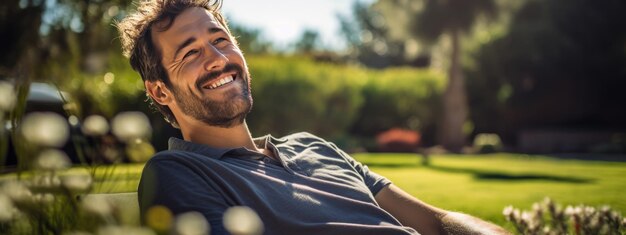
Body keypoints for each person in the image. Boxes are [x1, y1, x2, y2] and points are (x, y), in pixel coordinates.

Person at [117, 0, 510, 234]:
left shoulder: (314, 146)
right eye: (190, 53)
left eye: (220, 41)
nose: (218, 61)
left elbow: (436, 222)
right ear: (160, 90)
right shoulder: (177, 171)